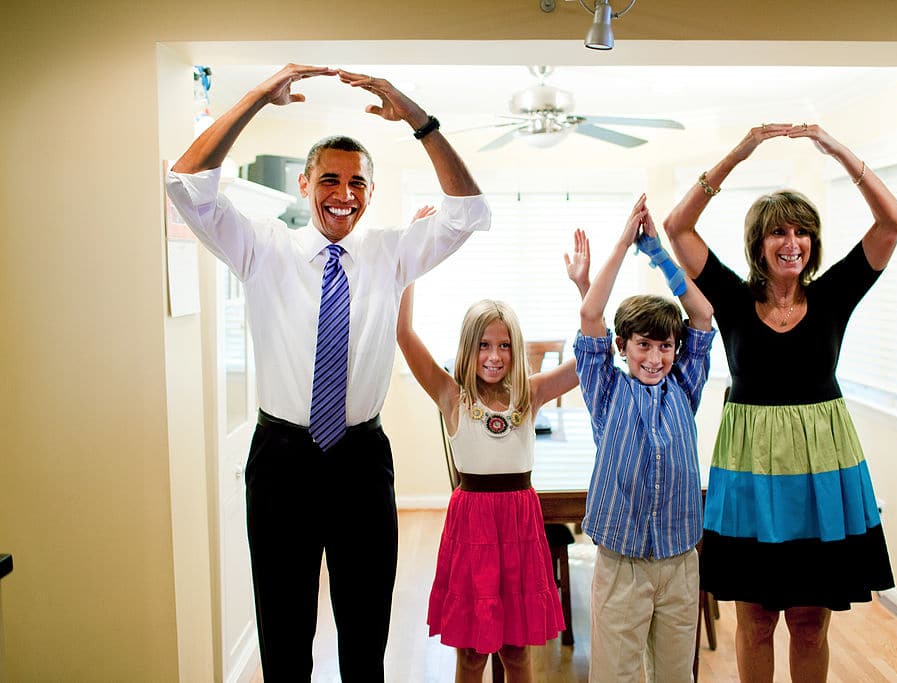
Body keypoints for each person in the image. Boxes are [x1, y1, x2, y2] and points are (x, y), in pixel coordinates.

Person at [164, 63, 490, 681]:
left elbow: (468, 211)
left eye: (357, 182)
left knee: (365, 639)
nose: (345, 194)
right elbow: (185, 184)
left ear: (370, 190)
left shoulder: (391, 252)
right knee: (284, 636)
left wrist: (418, 119)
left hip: (361, 462)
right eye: (330, 180)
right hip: (281, 461)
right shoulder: (262, 248)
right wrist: (257, 97)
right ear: (304, 183)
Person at [662, 123, 897, 682]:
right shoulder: (731, 297)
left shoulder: (834, 295)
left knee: (809, 623)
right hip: (750, 476)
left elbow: (893, 222)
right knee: (755, 621)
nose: (791, 242)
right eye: (778, 232)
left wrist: (838, 150)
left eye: (802, 232)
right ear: (759, 244)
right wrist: (740, 153)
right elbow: (677, 227)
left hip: (822, 476)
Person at [394, 230, 589, 682]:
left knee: (516, 653)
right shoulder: (451, 395)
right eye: (484, 344)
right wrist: (410, 266)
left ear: (515, 349)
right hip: (472, 527)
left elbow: (588, 360)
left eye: (504, 345)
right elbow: (404, 335)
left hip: (519, 524)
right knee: (470, 655)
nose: (494, 356)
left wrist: (584, 290)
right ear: (469, 348)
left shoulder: (530, 394)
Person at [575, 195, 715, 683]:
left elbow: (702, 313)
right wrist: (622, 243)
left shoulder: (685, 386)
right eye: (643, 345)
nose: (655, 358)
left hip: (680, 563)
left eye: (665, 346)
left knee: (676, 676)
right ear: (622, 346)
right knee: (615, 675)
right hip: (623, 564)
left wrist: (656, 251)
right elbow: (591, 313)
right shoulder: (607, 390)